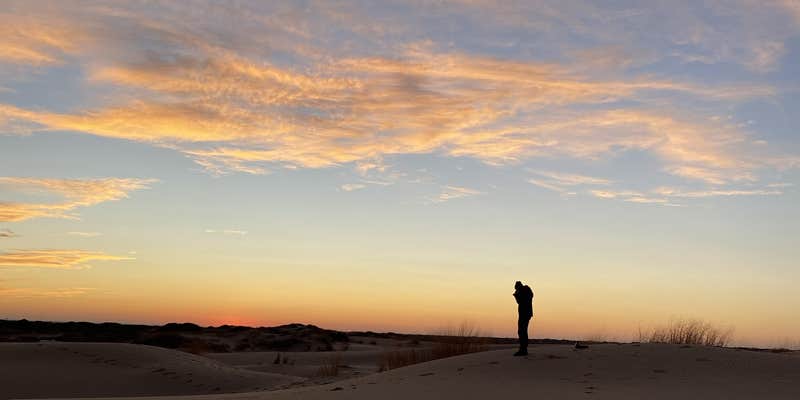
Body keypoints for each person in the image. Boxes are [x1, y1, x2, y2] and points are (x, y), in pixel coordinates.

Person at [512, 281, 534, 356]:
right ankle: (523, 349)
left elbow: (521, 301)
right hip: (525, 314)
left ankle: (523, 349)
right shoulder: (525, 291)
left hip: (525, 314)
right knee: (522, 331)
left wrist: (517, 295)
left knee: (522, 331)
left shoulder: (525, 290)